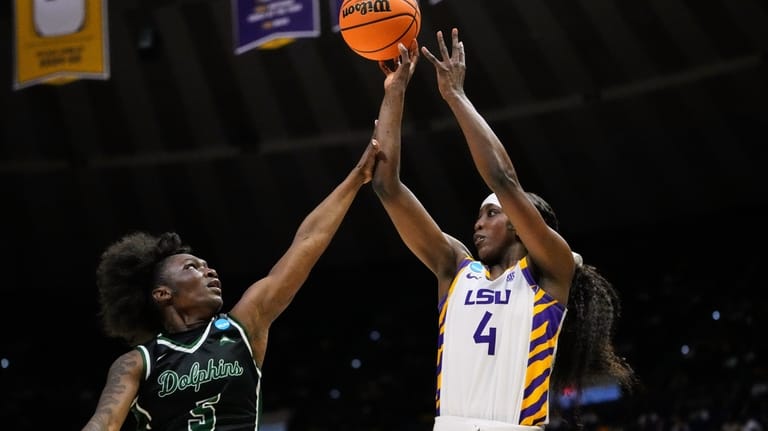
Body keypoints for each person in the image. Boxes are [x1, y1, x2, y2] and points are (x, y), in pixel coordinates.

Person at [371, 29, 636, 430]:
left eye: (491, 214)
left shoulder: (550, 273)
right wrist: (395, 90)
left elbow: (502, 179)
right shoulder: (455, 270)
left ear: (521, 222)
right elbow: (386, 187)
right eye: (479, 216)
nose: (478, 223)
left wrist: (455, 96)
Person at [81, 138, 380, 431]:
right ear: (162, 294)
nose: (210, 272)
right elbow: (104, 423)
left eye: (207, 266)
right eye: (192, 267)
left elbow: (307, 242)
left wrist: (357, 178)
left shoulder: (243, 327)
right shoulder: (138, 361)